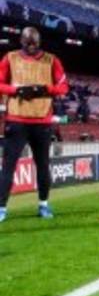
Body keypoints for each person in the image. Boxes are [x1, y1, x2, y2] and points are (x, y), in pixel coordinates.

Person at [0, 27, 69, 222]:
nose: (31, 47)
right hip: (16, 119)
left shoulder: (51, 60)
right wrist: (16, 90)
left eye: (34, 44)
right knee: (8, 166)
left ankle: (43, 205)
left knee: (43, 165)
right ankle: (1, 208)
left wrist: (45, 89)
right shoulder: (10, 58)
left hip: (42, 121)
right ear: (21, 41)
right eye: (27, 43)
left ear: (39, 42)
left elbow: (64, 87)